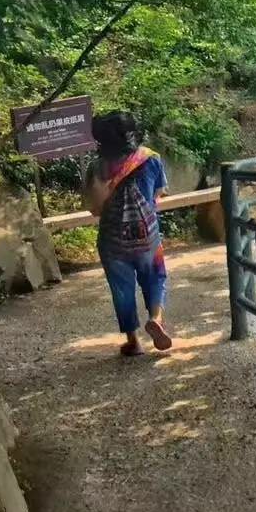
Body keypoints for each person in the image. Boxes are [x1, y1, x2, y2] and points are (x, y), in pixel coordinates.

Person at [84, 111, 173, 356]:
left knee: (121, 288)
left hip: (113, 242)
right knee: (155, 276)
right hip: (147, 236)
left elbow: (94, 209)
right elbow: (157, 196)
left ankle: (133, 341)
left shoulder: (96, 167)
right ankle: (156, 318)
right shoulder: (150, 159)